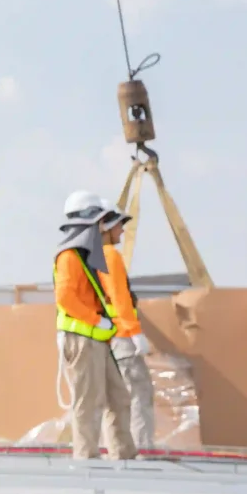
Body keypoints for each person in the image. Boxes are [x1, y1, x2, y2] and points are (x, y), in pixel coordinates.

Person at [54, 192, 137, 461]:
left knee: (119, 398)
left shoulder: (86, 256)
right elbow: (65, 298)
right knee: (89, 403)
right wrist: (96, 320)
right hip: (82, 339)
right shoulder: (69, 256)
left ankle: (123, 456)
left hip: (96, 339)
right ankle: (86, 460)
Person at [98, 211, 155, 451]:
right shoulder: (110, 255)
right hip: (122, 336)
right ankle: (140, 448)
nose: (122, 231)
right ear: (107, 228)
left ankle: (118, 449)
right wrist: (134, 332)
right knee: (138, 394)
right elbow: (120, 297)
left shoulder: (90, 257)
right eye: (119, 226)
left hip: (106, 336)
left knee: (115, 400)